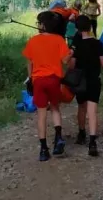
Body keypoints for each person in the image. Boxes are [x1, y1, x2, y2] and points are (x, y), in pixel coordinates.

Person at [22, 11, 72, 161]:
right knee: (55, 108)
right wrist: (71, 52)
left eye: (39, 23)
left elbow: (29, 62)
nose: (38, 26)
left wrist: (31, 78)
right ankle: (58, 138)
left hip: (38, 81)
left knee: (41, 115)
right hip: (54, 80)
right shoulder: (59, 40)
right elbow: (64, 61)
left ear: (43, 25)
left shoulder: (33, 41)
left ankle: (44, 150)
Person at [71, 15, 103, 157]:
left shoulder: (77, 46)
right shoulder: (98, 43)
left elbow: (72, 65)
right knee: (92, 111)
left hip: (81, 81)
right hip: (94, 81)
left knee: (81, 108)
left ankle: (81, 134)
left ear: (77, 29)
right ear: (90, 27)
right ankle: (93, 142)